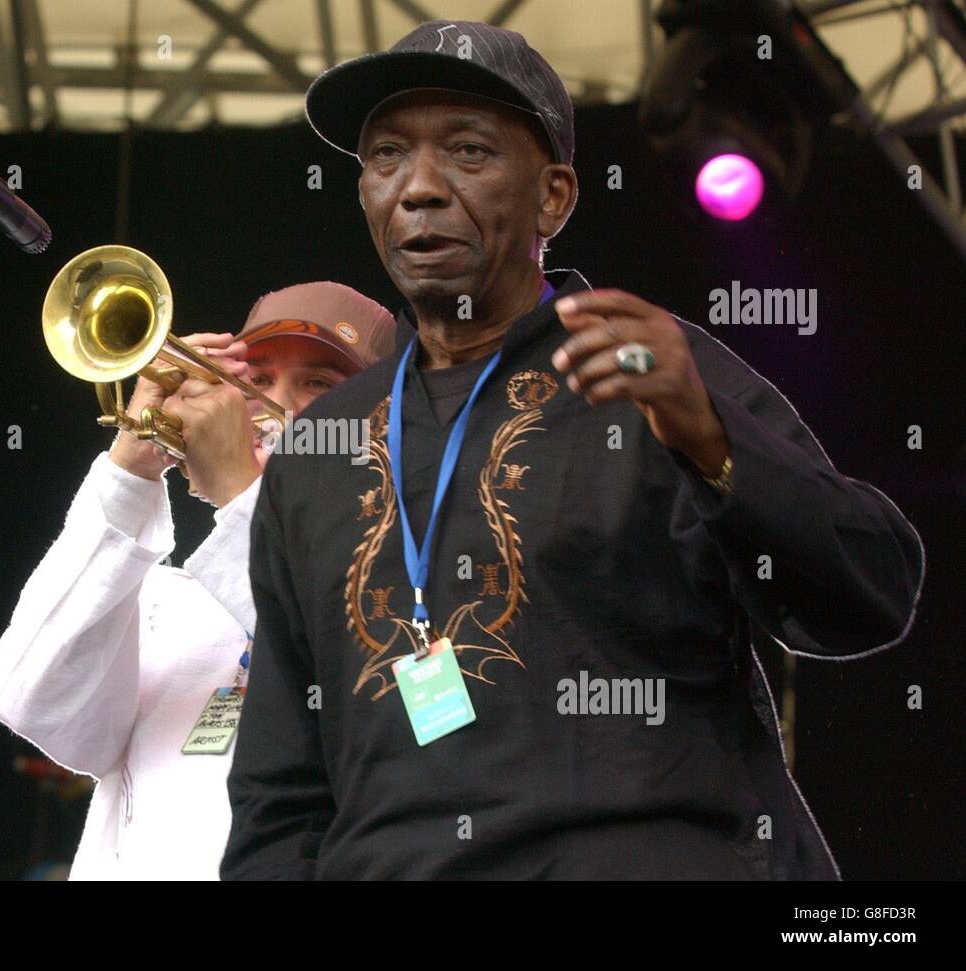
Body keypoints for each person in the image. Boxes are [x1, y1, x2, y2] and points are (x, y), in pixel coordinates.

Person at [221, 20, 924, 880]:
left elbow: (870, 591)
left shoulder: (652, 368)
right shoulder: (318, 454)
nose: (419, 189)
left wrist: (709, 434)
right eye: (386, 156)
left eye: (469, 152)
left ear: (553, 198)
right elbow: (279, 795)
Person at [0, 282, 395, 879]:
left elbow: (407, 717)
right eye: (255, 379)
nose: (273, 405)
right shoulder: (167, 598)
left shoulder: (410, 582)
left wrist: (240, 490)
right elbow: (32, 701)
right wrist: (130, 467)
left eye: (319, 385)